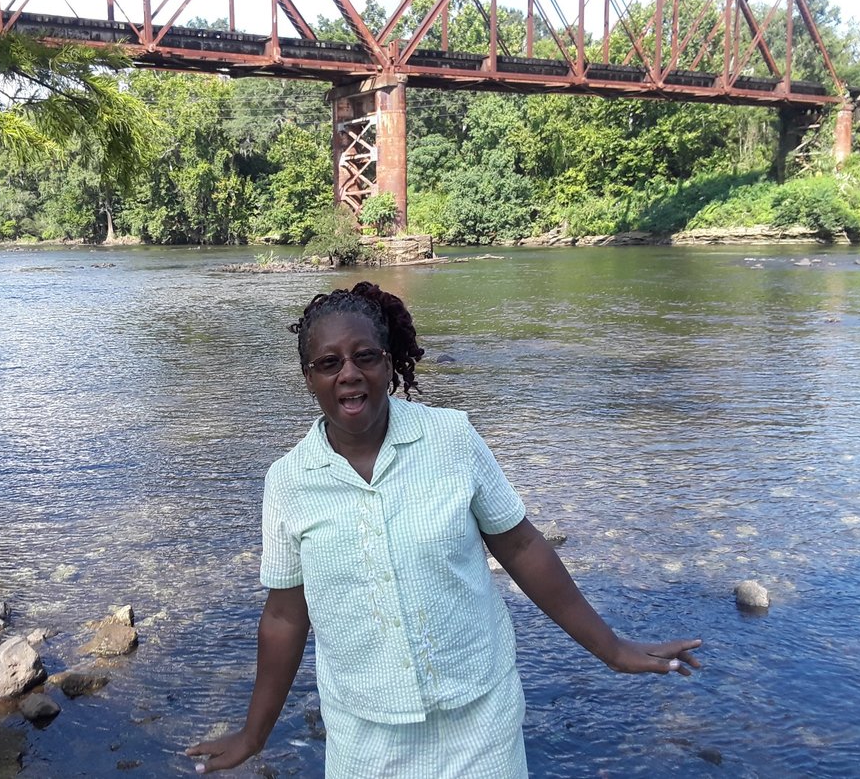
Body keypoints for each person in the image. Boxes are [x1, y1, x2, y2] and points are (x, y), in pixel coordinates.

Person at [186, 281, 702, 777]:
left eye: (365, 356)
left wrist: (611, 649)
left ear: (388, 364)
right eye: (328, 363)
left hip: (479, 719)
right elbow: (283, 617)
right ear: (308, 378)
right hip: (367, 737)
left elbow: (522, 547)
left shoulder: (452, 439)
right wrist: (254, 735)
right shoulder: (289, 481)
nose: (348, 373)